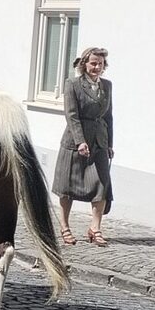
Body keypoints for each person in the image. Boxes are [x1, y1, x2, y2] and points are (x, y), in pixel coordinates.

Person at [53, 47, 114, 246]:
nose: (97, 67)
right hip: (75, 142)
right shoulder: (73, 84)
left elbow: (108, 117)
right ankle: (65, 227)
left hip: (99, 143)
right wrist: (80, 141)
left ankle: (95, 228)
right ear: (84, 64)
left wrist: (109, 144)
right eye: (93, 63)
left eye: (101, 64)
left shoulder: (107, 86)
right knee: (67, 187)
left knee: (102, 186)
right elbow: (71, 115)